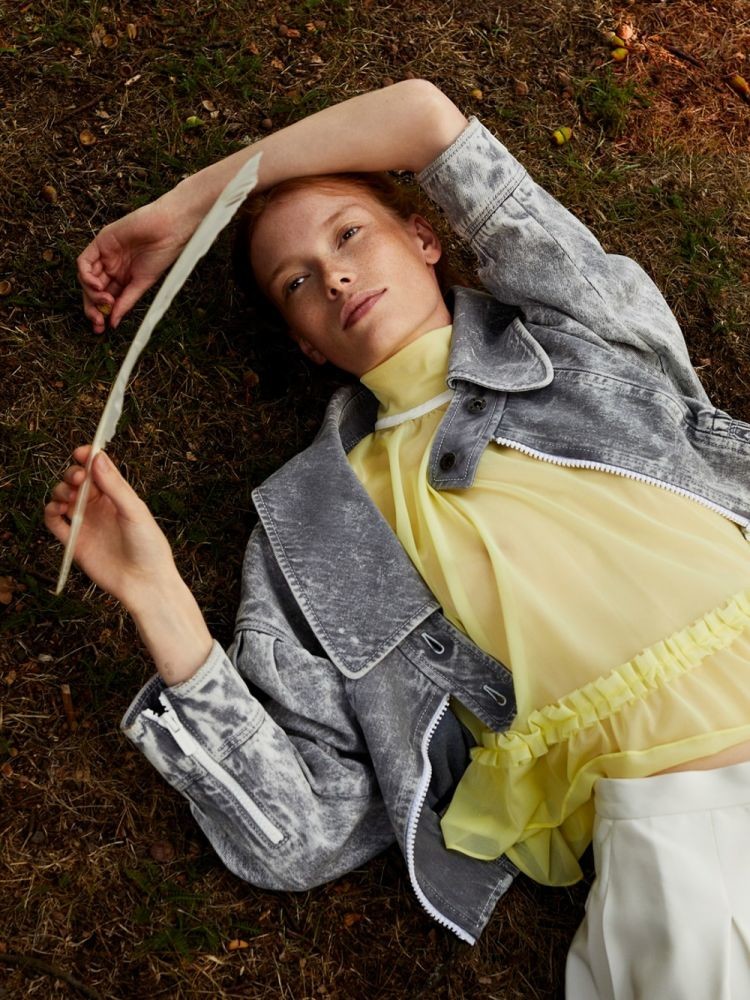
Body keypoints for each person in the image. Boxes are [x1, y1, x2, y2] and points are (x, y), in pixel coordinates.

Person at [45, 80, 750, 998]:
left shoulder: (583, 334)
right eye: (297, 282)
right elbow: (301, 833)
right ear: (305, 342)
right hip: (678, 844)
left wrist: (191, 207)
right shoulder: (315, 528)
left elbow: (422, 117)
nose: (334, 276)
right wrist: (157, 598)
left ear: (425, 237)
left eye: (350, 235)